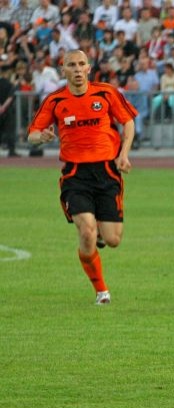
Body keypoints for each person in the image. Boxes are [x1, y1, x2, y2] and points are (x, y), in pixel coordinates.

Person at [27, 49, 137, 305]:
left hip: (107, 172)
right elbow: (32, 134)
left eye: (81, 64)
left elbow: (128, 122)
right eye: (71, 65)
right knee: (86, 231)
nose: (77, 70)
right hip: (76, 174)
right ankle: (102, 292)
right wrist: (42, 137)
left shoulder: (106, 93)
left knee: (113, 240)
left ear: (89, 68)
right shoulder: (55, 100)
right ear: (63, 70)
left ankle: (99, 230)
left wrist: (124, 154)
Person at [0, 66, 19, 157]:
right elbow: (10, 97)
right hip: (8, 110)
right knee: (10, 131)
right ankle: (11, 150)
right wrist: (3, 107)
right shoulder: (10, 84)